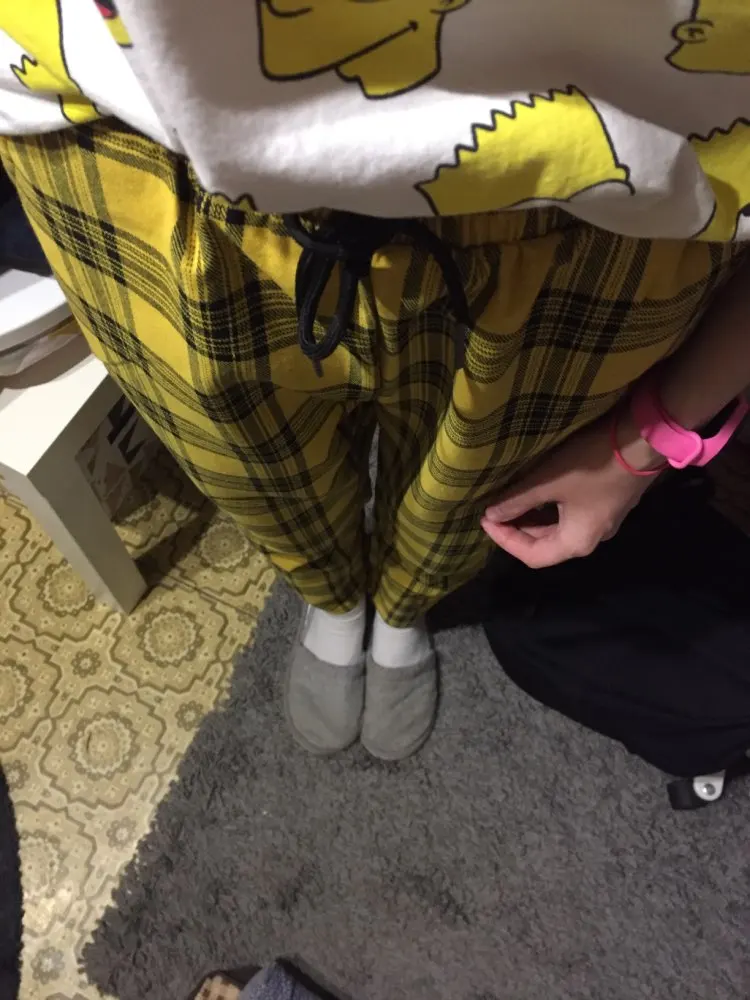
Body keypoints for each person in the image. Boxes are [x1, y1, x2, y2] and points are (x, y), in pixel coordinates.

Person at [1, 0, 749, 760]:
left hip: (619, 170)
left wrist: (651, 439)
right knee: (261, 477)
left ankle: (402, 605)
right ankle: (334, 597)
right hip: (123, 126)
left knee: (474, 498)